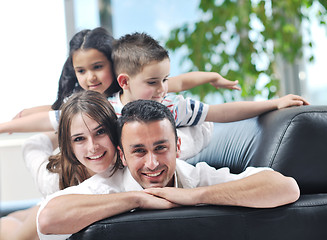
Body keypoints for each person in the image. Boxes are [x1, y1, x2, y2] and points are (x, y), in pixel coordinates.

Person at [36, 99, 300, 240]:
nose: (152, 163)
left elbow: (286, 187)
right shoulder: (106, 186)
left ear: (177, 146)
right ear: (122, 155)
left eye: (161, 148)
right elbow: (48, 220)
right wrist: (139, 199)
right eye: (139, 151)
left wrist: (195, 196)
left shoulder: (193, 176)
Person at [12, 27, 239, 119]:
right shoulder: (83, 98)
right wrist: (24, 113)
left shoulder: (132, 89)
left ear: (115, 66)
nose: (90, 77)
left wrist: (213, 77)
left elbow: (182, 81)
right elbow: (55, 109)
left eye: (98, 68)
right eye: (81, 71)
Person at [0, 90, 121, 240]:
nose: (93, 147)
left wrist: (77, 124)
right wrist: (67, 124)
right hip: (42, 207)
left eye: (100, 132)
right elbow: (32, 145)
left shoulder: (132, 166)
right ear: (67, 144)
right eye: (79, 139)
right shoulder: (51, 179)